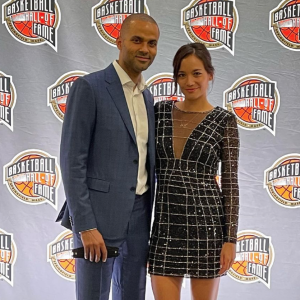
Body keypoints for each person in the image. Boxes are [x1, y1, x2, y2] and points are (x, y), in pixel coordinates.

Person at [57, 14, 159, 300]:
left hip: (140, 216)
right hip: (97, 220)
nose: (145, 49)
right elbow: (71, 162)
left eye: (152, 43)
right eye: (137, 40)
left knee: (132, 294)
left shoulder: (148, 98)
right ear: (119, 42)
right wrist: (85, 225)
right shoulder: (89, 88)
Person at [148, 43, 240, 300]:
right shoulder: (160, 112)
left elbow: (231, 183)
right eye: (181, 74)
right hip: (165, 228)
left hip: (207, 229)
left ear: (210, 74)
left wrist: (230, 239)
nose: (189, 81)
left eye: (196, 73)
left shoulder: (224, 121)